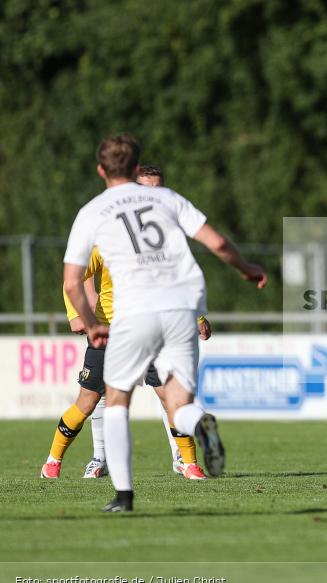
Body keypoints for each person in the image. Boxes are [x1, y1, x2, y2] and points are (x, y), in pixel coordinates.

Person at [63, 134, 266, 512]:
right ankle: (199, 421)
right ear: (137, 168)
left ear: (101, 170)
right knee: (177, 401)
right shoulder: (168, 198)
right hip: (181, 309)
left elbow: (73, 281)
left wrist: (91, 323)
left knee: (117, 401)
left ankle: (124, 495)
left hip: (134, 312)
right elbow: (218, 243)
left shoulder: (93, 211)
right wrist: (247, 268)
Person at [42, 164, 212, 481]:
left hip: (154, 328)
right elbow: (73, 277)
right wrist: (75, 314)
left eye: (158, 190)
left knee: (172, 397)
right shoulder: (109, 236)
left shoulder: (164, 237)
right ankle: (54, 460)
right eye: (146, 190)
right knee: (89, 401)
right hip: (110, 331)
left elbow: (180, 279)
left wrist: (197, 316)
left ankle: (188, 463)